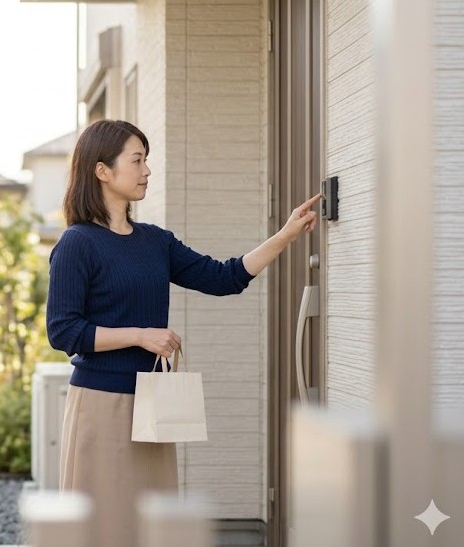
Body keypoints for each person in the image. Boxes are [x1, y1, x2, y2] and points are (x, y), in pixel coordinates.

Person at [46, 119, 321, 547]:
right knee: (103, 528)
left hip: (152, 406)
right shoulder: (77, 244)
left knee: (152, 528)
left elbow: (223, 277)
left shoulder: (156, 241)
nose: (147, 171)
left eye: (146, 161)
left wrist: (285, 236)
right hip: (101, 407)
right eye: (137, 161)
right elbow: (64, 331)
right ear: (102, 171)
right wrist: (140, 335)